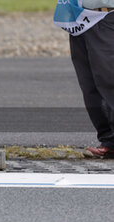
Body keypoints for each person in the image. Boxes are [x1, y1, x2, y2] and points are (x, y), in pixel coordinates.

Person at [68, 0, 114, 158]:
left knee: (109, 79)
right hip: (80, 18)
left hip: (107, 15)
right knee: (89, 84)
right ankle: (109, 141)